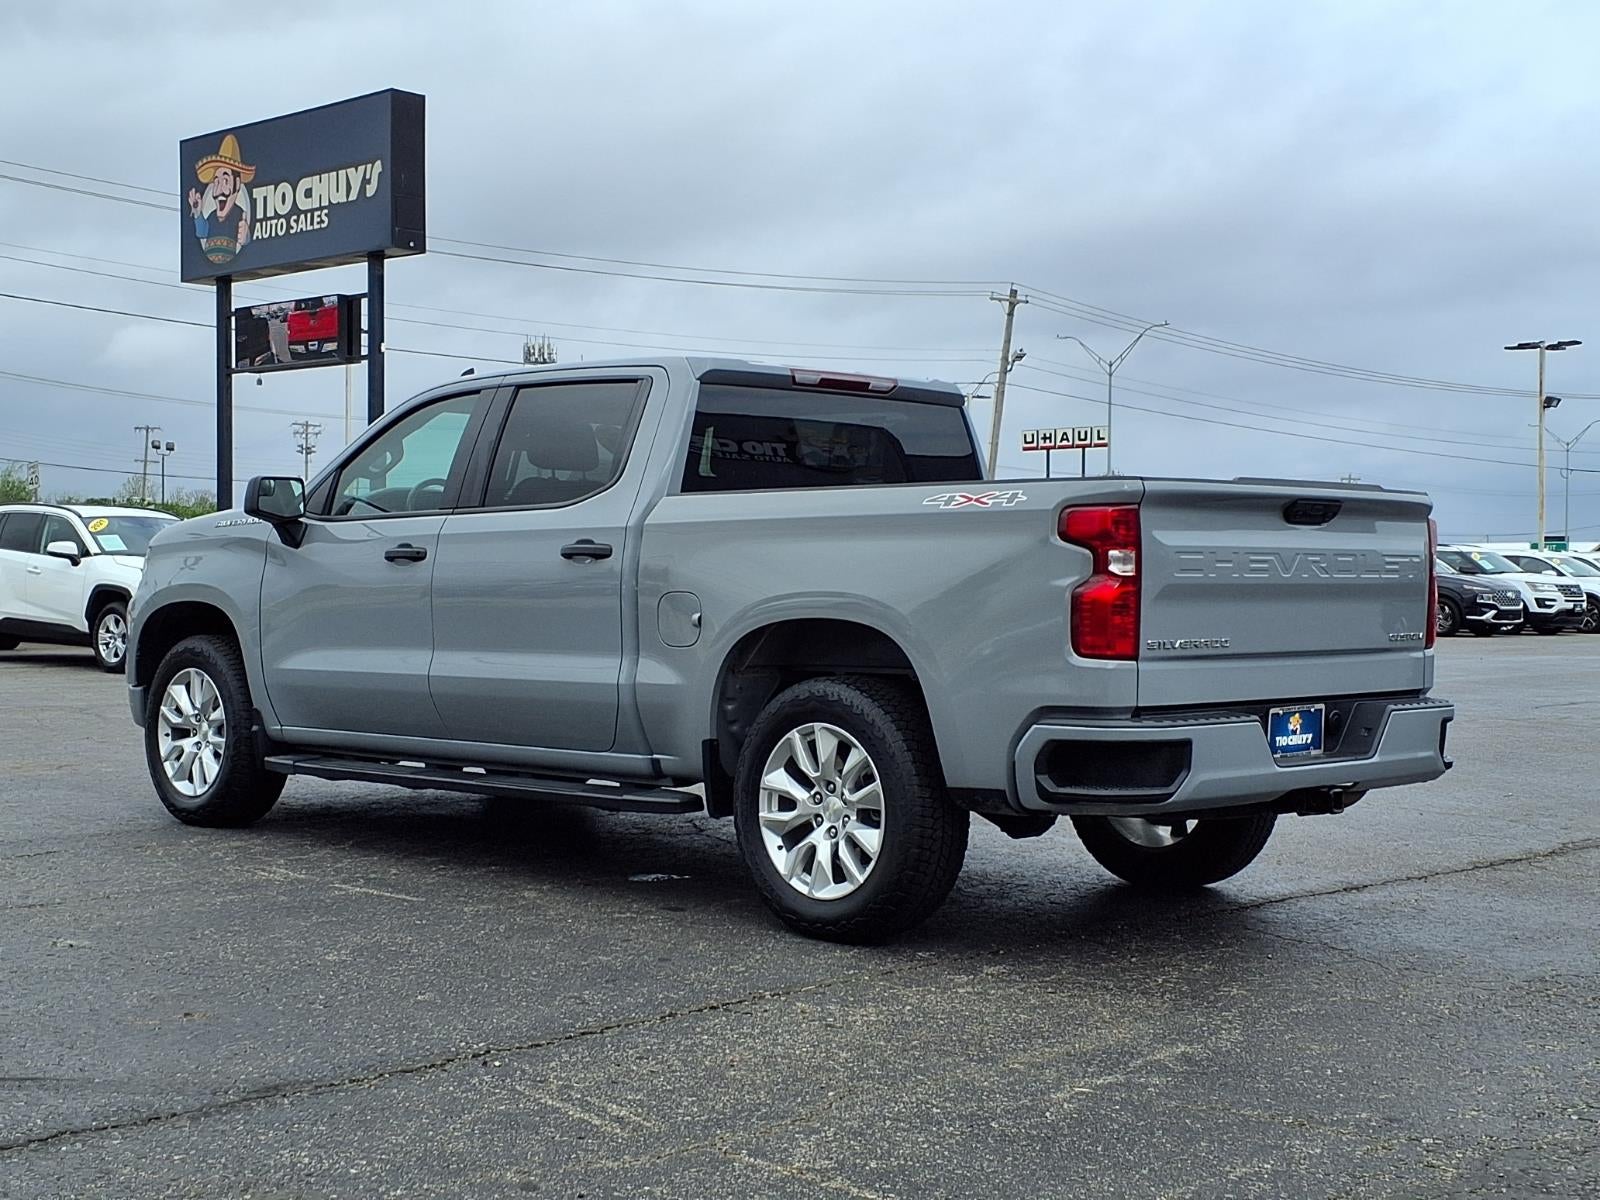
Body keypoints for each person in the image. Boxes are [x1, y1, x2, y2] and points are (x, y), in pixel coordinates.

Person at [186, 134, 255, 266]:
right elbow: (201, 232)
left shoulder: (240, 215)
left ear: (237, 183)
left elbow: (247, 243)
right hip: (211, 265)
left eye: (225, 181)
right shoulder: (212, 216)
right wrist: (197, 212)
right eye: (216, 182)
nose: (219, 190)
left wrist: (246, 238)